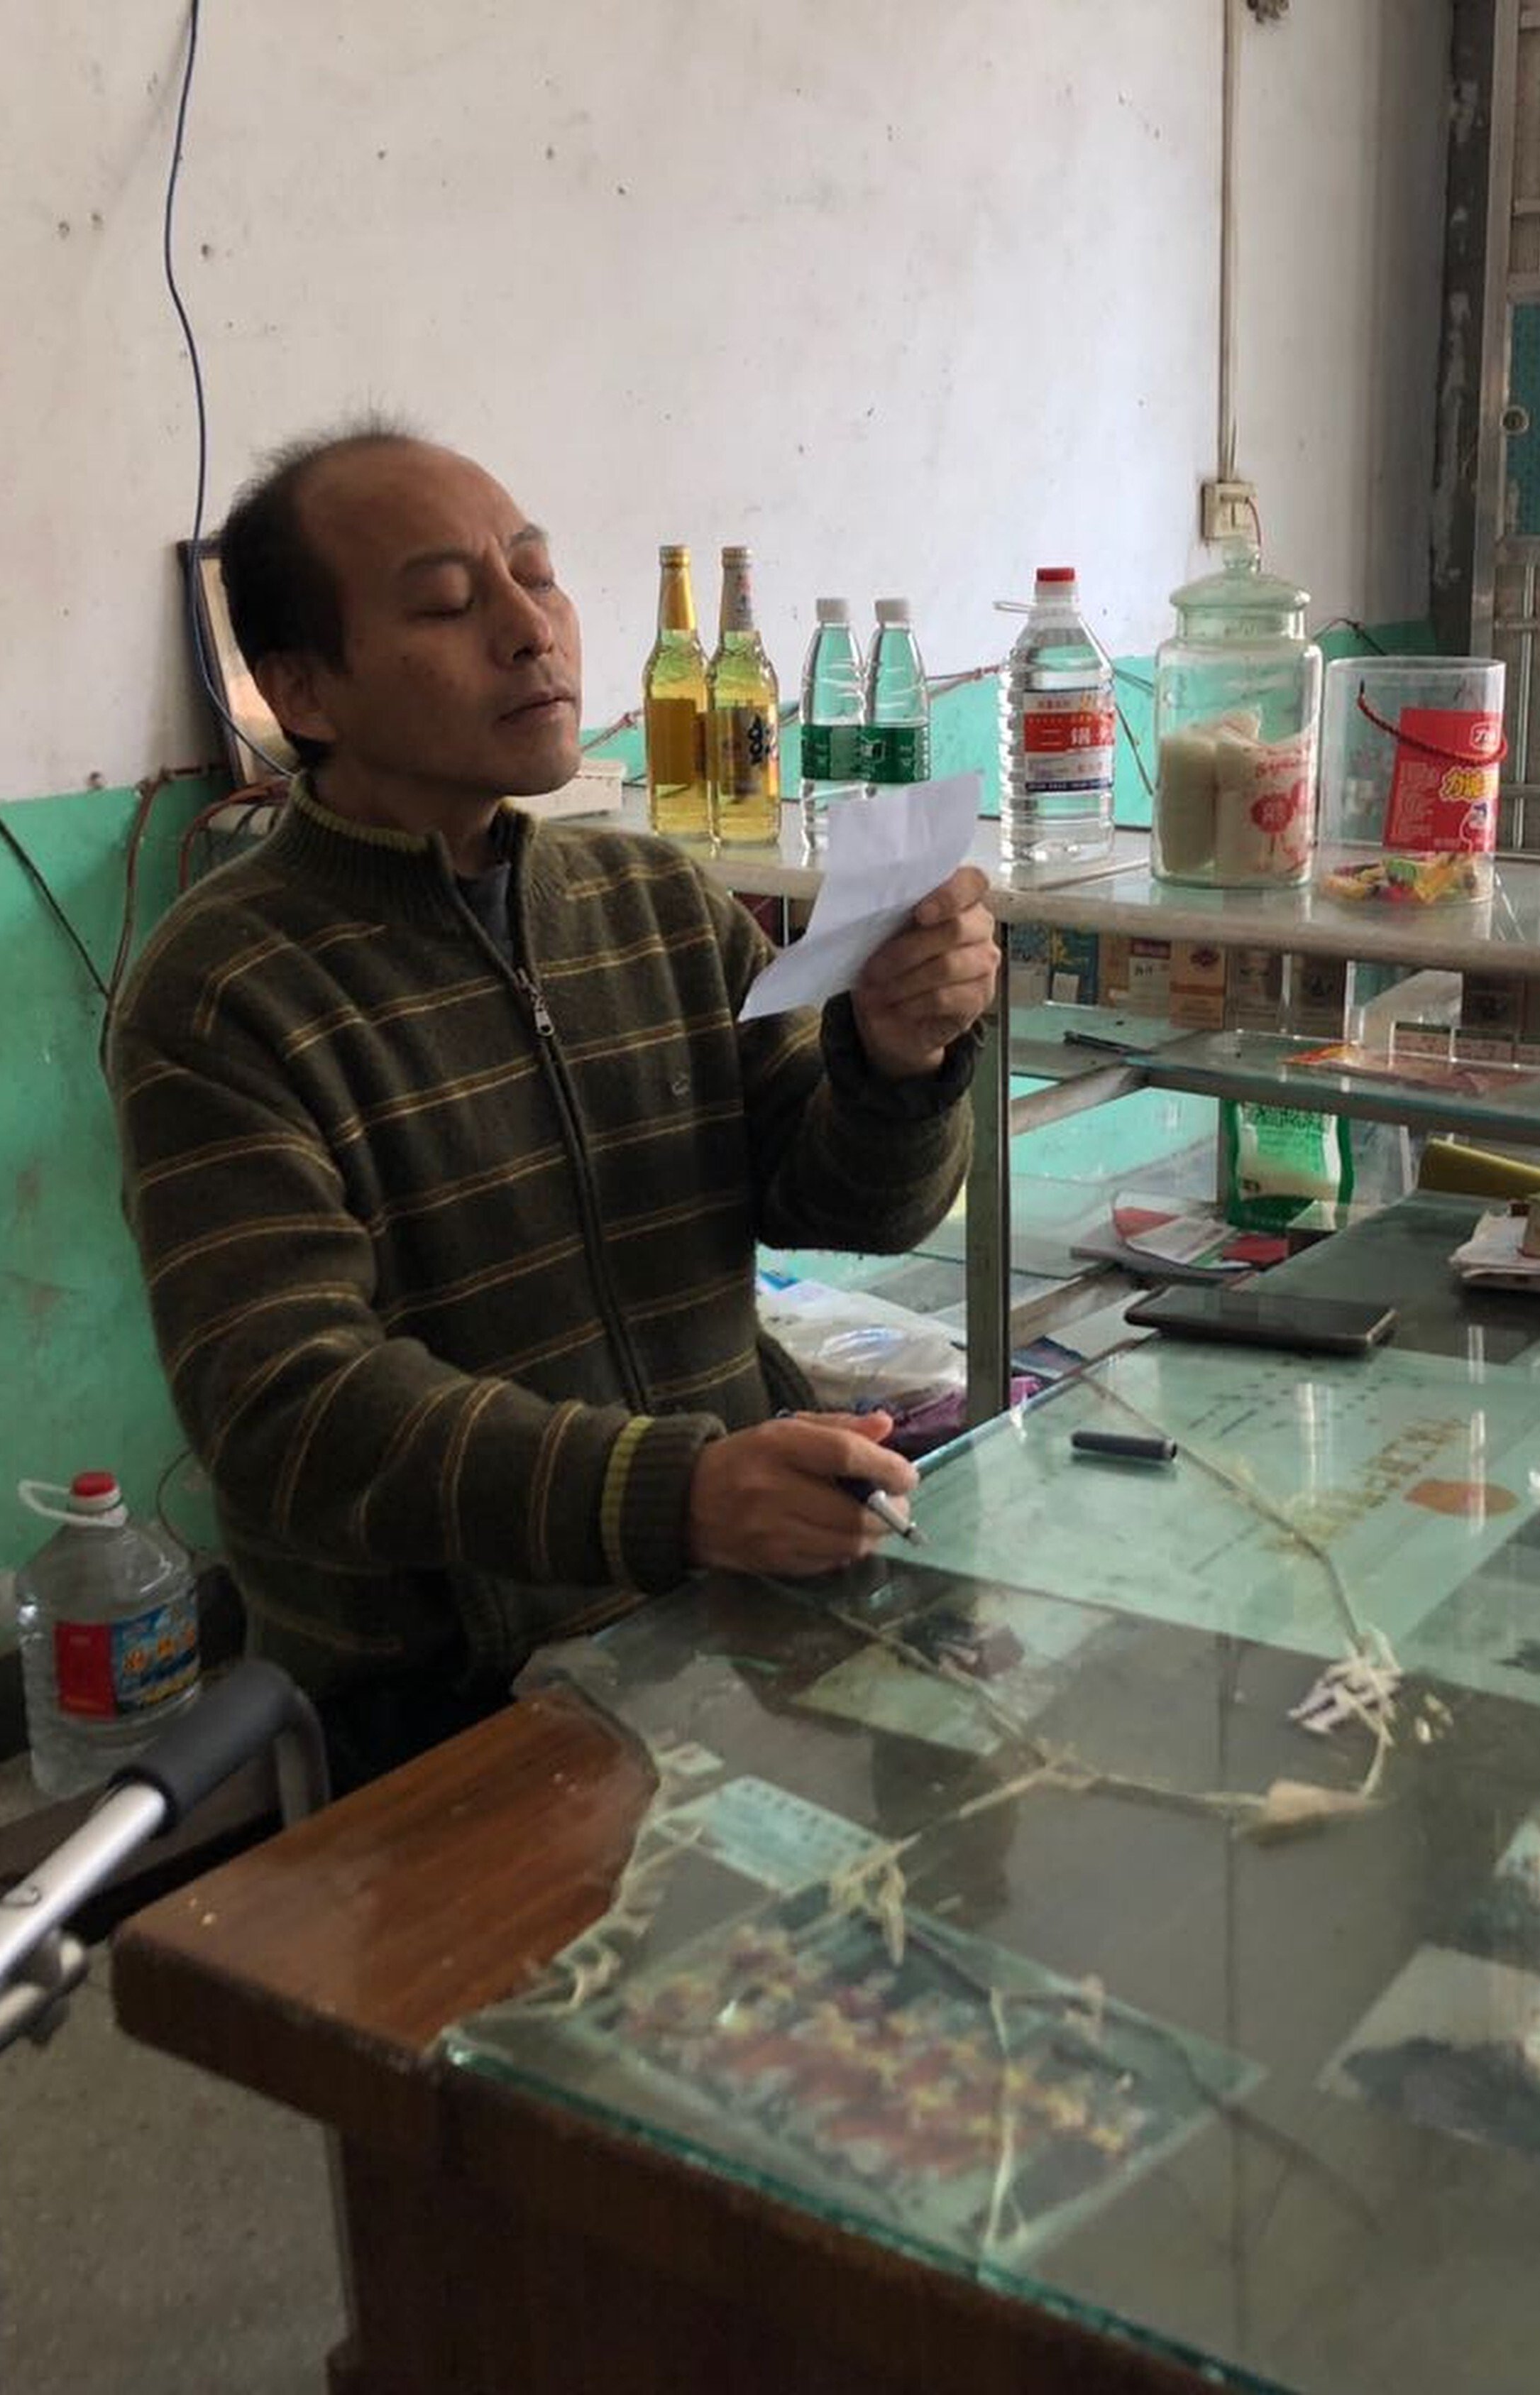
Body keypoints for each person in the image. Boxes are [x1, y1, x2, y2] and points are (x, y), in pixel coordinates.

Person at [109, 421, 999, 1786]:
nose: (531, 631)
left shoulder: (648, 902)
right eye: (449, 603)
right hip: (445, 1700)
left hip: (718, 1616)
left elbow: (851, 1204)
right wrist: (677, 1493)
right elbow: (285, 1406)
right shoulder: (227, 989)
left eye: (536, 574)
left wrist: (893, 1058)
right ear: (304, 688)